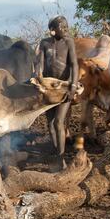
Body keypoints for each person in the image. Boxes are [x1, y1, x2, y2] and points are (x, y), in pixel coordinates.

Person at [36, 15, 79, 171]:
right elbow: (39, 63)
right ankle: (57, 155)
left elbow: (74, 65)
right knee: (50, 124)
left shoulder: (69, 42)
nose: (66, 29)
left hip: (64, 87)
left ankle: (61, 159)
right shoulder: (44, 43)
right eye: (63, 27)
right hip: (48, 87)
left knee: (59, 122)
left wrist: (73, 86)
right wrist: (38, 76)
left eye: (67, 26)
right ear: (53, 31)